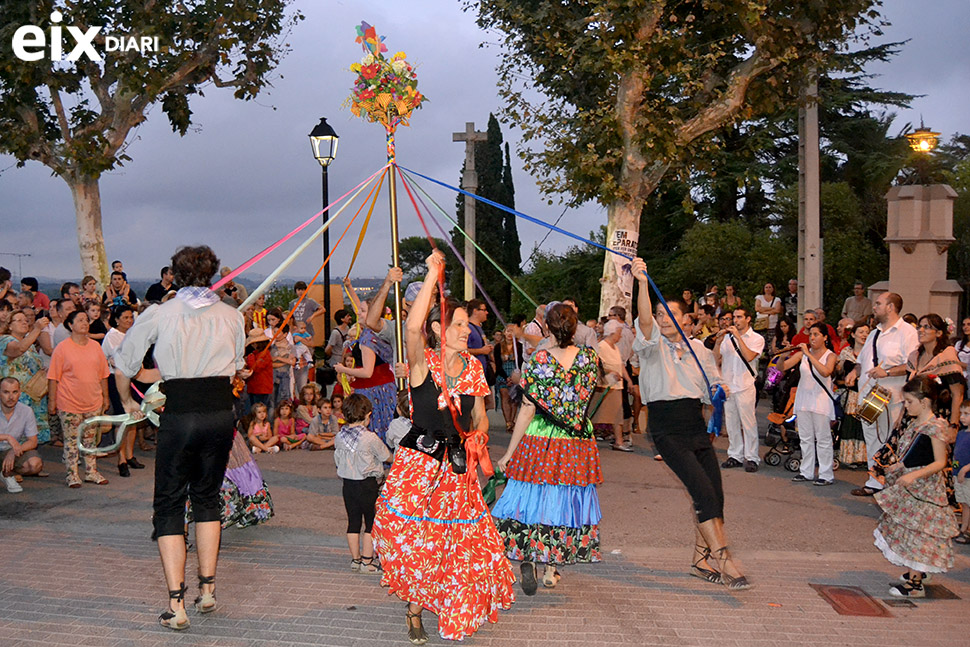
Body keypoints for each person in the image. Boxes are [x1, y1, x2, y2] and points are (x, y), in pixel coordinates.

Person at [372, 251, 514, 644]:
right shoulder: (424, 365)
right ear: (440, 327)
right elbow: (412, 328)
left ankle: (451, 607)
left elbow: (481, 415)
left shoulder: (473, 368)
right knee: (418, 539)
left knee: (457, 543)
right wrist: (433, 275)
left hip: (457, 469)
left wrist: (481, 435)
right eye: (460, 324)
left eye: (468, 325)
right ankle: (415, 606)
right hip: (419, 468)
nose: (466, 330)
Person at [114, 244, 246, 631]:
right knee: (207, 496)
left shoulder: (160, 312)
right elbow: (237, 366)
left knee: (170, 503)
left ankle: (177, 604)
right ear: (212, 273)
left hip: (182, 412)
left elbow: (125, 360)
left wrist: (129, 395)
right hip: (221, 413)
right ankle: (207, 590)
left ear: (174, 274)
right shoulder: (231, 315)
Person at [630, 257, 750, 590]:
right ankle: (724, 559)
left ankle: (700, 561)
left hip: (696, 427)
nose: (662, 319)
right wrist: (642, 282)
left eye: (670, 314)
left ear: (686, 319)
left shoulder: (699, 348)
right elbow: (643, 321)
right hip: (666, 428)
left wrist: (719, 389)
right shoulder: (651, 347)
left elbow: (716, 383)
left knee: (716, 496)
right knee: (701, 493)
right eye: (658, 314)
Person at [492, 302, 603, 594]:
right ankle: (551, 568)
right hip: (576, 442)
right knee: (561, 501)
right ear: (575, 327)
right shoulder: (590, 358)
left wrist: (508, 453)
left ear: (548, 327)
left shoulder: (540, 360)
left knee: (531, 497)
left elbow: (527, 409)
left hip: (541, 437)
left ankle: (528, 554)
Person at [872, 377, 958, 598]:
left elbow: (940, 462)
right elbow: (916, 452)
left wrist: (915, 475)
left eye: (909, 402)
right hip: (912, 484)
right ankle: (919, 571)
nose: (906, 406)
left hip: (925, 489)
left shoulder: (935, 426)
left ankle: (915, 584)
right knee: (910, 530)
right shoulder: (917, 423)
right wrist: (899, 466)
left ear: (925, 401)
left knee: (918, 533)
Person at [845, 292, 920, 497]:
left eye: (879, 303)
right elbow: (864, 360)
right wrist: (854, 371)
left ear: (891, 307)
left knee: (890, 439)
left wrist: (886, 372)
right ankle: (875, 481)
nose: (874, 306)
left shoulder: (907, 332)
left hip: (893, 396)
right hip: (870, 395)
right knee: (871, 437)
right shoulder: (874, 332)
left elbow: (912, 365)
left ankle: (892, 483)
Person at [47, 310, 111, 488]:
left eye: (86, 320)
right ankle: (72, 474)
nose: (84, 323)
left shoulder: (95, 347)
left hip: (93, 401)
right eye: (80, 320)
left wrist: (106, 397)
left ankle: (91, 471)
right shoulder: (62, 348)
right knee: (71, 440)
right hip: (69, 402)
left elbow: (103, 375)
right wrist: (52, 402)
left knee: (90, 439)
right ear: (70, 325)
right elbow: (53, 377)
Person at [335, 393, 391, 574]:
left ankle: (355, 560)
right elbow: (386, 456)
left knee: (353, 521)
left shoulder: (339, 437)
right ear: (367, 415)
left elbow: (337, 460)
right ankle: (367, 562)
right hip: (367, 485)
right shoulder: (370, 437)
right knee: (371, 521)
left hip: (348, 485)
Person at [779, 323, 838, 486]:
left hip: (821, 401)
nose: (812, 338)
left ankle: (826, 474)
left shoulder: (830, 355)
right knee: (805, 438)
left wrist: (808, 354)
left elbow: (826, 371)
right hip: (804, 400)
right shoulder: (801, 355)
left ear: (825, 337)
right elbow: (782, 368)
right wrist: (784, 355)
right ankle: (806, 471)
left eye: (816, 334)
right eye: (811, 334)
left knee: (823, 438)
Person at [714, 306, 765, 472]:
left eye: (739, 317)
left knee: (748, 423)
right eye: (733, 317)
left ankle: (751, 457)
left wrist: (737, 337)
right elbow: (716, 359)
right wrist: (718, 341)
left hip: (745, 385)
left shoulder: (756, 338)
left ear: (748, 318)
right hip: (729, 385)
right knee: (731, 422)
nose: (735, 320)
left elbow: (750, 356)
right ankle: (735, 455)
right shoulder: (727, 339)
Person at [334, 322, 396, 445]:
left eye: (362, 311)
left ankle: (380, 453)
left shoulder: (369, 338)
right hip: (366, 387)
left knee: (376, 421)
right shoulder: (365, 336)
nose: (358, 313)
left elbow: (368, 372)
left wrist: (344, 370)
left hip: (376, 389)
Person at [102, 305, 142, 476]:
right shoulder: (112, 336)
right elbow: (118, 360)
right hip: (117, 379)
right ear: (116, 319)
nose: (129, 321)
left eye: (130, 317)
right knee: (122, 418)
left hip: (135, 378)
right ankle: (121, 459)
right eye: (125, 318)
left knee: (134, 418)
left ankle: (130, 454)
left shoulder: (133, 335)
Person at [906, 313, 965, 428]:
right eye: (919, 327)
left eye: (927, 327)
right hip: (914, 416)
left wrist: (954, 425)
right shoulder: (915, 356)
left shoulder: (946, 356)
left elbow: (957, 394)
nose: (921, 330)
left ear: (939, 333)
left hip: (937, 418)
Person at [0, 310, 51, 443]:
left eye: (26, 320)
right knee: (15, 435)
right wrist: (37, 328)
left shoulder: (30, 344)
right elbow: (18, 349)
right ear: (10, 326)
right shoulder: (5, 340)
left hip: (33, 396)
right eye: (19, 320)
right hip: (15, 397)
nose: (24, 322)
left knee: (30, 437)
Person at [593, 319, 634, 451]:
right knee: (594, 414)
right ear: (611, 333)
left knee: (618, 415)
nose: (620, 336)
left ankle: (619, 441)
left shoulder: (615, 347)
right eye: (619, 333)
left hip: (616, 386)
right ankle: (585, 439)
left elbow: (620, 365)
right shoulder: (601, 346)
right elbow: (597, 365)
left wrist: (628, 380)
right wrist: (610, 371)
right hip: (604, 386)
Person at [836, 323, 870, 468]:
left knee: (866, 425)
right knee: (851, 424)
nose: (864, 335)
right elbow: (838, 372)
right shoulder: (846, 353)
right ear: (853, 334)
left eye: (867, 332)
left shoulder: (871, 352)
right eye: (861, 332)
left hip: (867, 392)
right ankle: (849, 457)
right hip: (851, 394)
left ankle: (865, 457)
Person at [1, 377, 44, 493]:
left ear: (20, 393)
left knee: (35, 464)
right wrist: (7, 437)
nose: (11, 397)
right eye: (6, 392)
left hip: (11, 450)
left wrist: (14, 451)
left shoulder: (26, 411)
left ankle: (7, 472)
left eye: (14, 392)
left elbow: (33, 441)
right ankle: (6, 473)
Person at [493, 327, 523, 432]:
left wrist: (515, 375)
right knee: (504, 396)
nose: (510, 334)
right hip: (503, 373)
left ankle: (512, 420)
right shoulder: (498, 347)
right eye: (507, 331)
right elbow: (498, 364)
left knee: (514, 398)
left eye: (512, 331)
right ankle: (508, 422)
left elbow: (521, 362)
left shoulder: (519, 347)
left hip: (515, 372)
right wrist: (506, 377)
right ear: (504, 333)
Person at [952, 401, 970, 545]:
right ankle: (964, 527)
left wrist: (965, 469)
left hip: (967, 475)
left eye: (966, 414)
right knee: (964, 503)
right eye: (961, 414)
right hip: (959, 475)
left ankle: (966, 529)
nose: (962, 417)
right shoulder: (962, 433)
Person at [955, 317, 970, 388]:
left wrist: (960, 364)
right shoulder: (959, 344)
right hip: (960, 376)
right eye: (964, 325)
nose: (965, 327)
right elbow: (953, 360)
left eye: (969, 324)